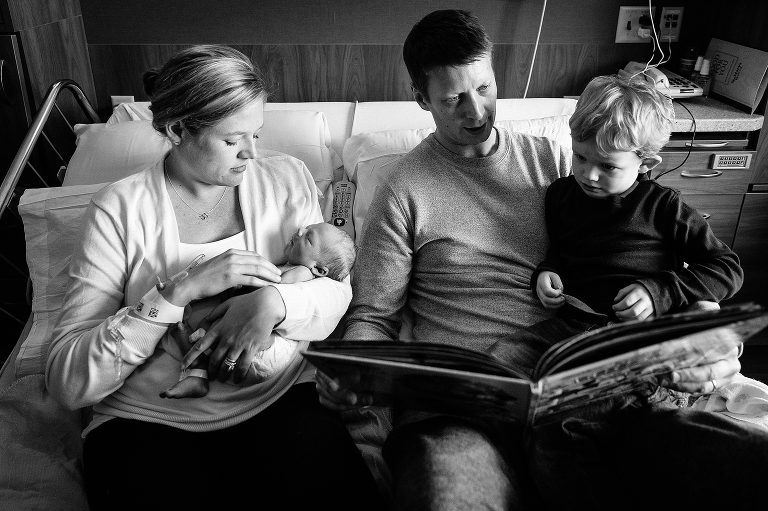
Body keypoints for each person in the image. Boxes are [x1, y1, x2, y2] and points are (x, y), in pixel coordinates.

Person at [316, 9, 768, 511]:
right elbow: (374, 314)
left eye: (484, 88)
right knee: (448, 496)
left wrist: (693, 321)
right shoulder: (402, 190)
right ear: (421, 99)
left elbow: (643, 256)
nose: (476, 112)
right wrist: (353, 370)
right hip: (468, 405)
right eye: (452, 98)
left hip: (591, 385)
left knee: (737, 463)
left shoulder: (561, 164)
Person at [45, 45, 381, 511]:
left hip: (279, 402)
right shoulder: (118, 209)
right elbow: (67, 379)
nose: (251, 153)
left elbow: (333, 290)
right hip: (149, 420)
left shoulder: (285, 178)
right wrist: (177, 293)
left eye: (256, 133)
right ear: (178, 129)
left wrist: (273, 305)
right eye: (231, 140)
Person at [487, 75, 744, 370]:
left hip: (644, 333)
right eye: (580, 157)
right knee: (500, 358)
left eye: (608, 166)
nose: (588, 175)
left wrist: (659, 292)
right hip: (576, 327)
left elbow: (727, 268)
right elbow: (559, 249)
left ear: (645, 164)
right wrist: (548, 273)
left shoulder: (663, 206)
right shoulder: (560, 195)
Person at [162, 222, 356, 398]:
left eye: (308, 238)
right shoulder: (294, 267)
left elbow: (275, 287)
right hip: (254, 342)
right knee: (207, 328)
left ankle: (195, 363)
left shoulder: (301, 272)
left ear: (319, 270)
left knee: (207, 330)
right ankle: (197, 377)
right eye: (306, 228)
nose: (299, 230)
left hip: (268, 347)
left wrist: (246, 282)